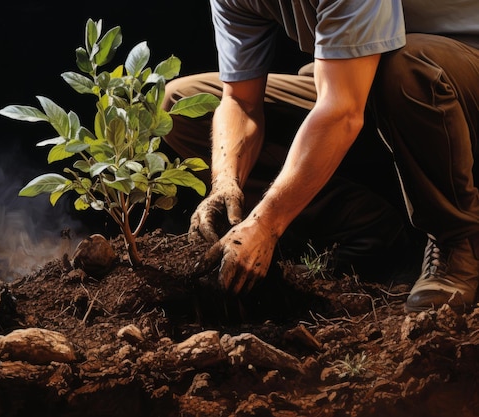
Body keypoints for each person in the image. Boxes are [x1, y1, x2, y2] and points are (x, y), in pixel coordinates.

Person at [162, 1, 479, 313]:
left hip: (452, 69)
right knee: (182, 105)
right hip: (364, 72)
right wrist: (226, 183)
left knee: (404, 67)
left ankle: (456, 242)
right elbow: (241, 103)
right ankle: (365, 225)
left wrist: (267, 222)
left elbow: (342, 112)